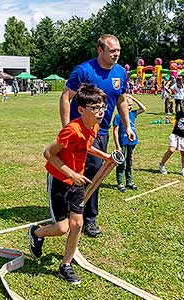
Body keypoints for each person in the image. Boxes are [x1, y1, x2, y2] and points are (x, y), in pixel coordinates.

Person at [29, 83, 110, 284]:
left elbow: (86, 147)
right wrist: (71, 173)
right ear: (81, 110)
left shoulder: (94, 127)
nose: (100, 112)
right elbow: (48, 154)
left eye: (103, 107)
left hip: (77, 181)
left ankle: (66, 265)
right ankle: (36, 232)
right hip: (59, 180)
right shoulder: (71, 130)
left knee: (78, 224)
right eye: (95, 108)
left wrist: (105, 156)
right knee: (62, 228)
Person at [59, 34, 134, 237]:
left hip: (101, 132)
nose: (116, 54)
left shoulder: (120, 72)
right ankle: (72, 209)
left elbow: (121, 100)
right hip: (79, 133)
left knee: (93, 172)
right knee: (75, 171)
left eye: (118, 50)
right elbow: (66, 96)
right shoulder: (84, 71)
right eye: (112, 50)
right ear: (100, 50)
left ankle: (88, 217)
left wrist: (128, 125)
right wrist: (67, 128)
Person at [158, 95, 184, 177]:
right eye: (183, 105)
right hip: (175, 135)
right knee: (171, 150)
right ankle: (161, 164)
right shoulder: (179, 113)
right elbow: (176, 123)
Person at [113, 95, 146, 192]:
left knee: (129, 163)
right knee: (121, 163)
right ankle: (120, 183)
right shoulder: (118, 116)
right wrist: (117, 145)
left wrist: (134, 99)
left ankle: (129, 182)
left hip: (132, 142)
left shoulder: (133, 114)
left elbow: (143, 108)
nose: (130, 107)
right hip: (123, 143)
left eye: (131, 105)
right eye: (128, 105)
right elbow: (115, 131)